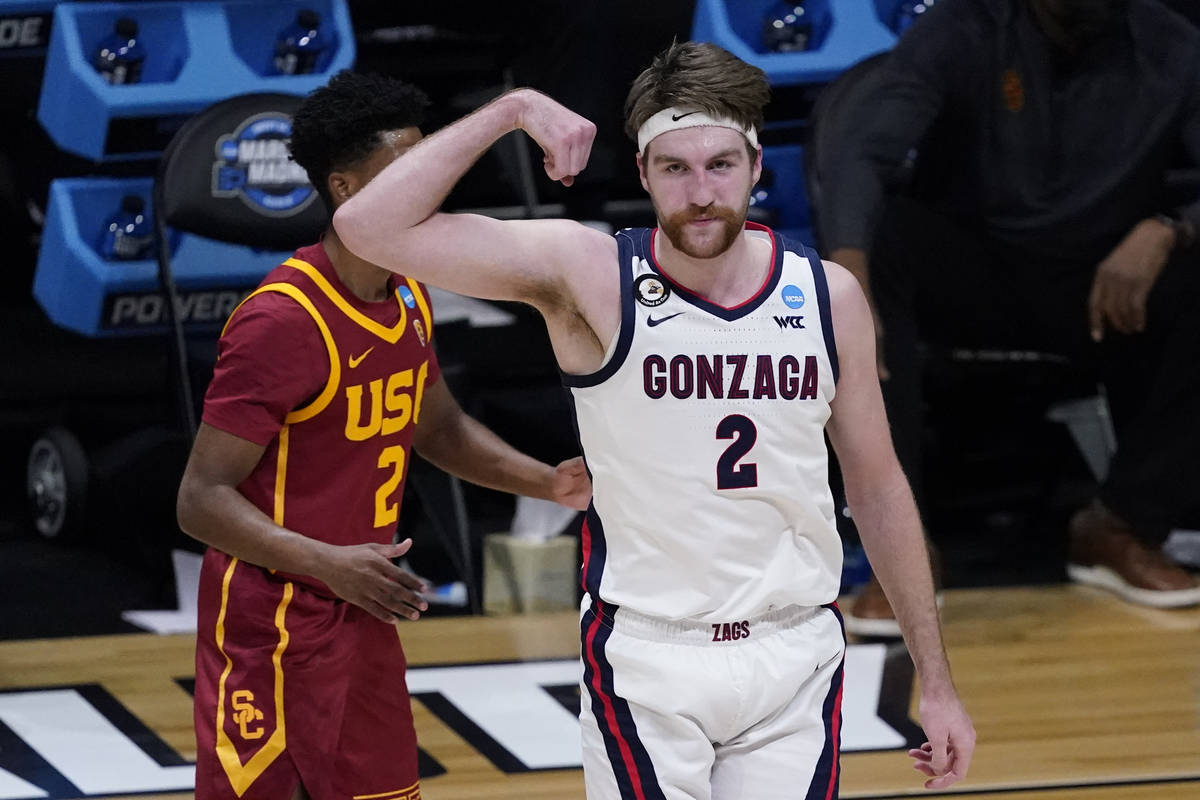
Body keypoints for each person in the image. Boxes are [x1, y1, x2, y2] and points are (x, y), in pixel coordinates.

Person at [333, 41, 974, 799]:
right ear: (642, 173)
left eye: (720, 165)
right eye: (675, 168)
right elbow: (366, 227)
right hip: (650, 660)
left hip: (796, 650)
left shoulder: (828, 296)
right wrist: (510, 111)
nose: (700, 192)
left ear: (757, 165)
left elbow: (876, 485)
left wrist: (936, 681)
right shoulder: (591, 276)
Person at [175, 70, 591, 800]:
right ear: (344, 189)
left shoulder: (408, 293)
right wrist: (327, 562)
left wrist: (546, 482)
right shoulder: (282, 320)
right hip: (270, 622)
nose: (432, 186)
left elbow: (439, 429)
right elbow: (200, 500)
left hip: (361, 609)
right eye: (407, 172)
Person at [817, 0, 1200, 634]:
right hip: (974, 273)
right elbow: (864, 147)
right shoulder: (962, 27)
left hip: (1105, 283)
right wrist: (849, 272)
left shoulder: (1173, 43)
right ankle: (902, 548)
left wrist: (1170, 228)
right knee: (866, 264)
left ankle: (1121, 524)